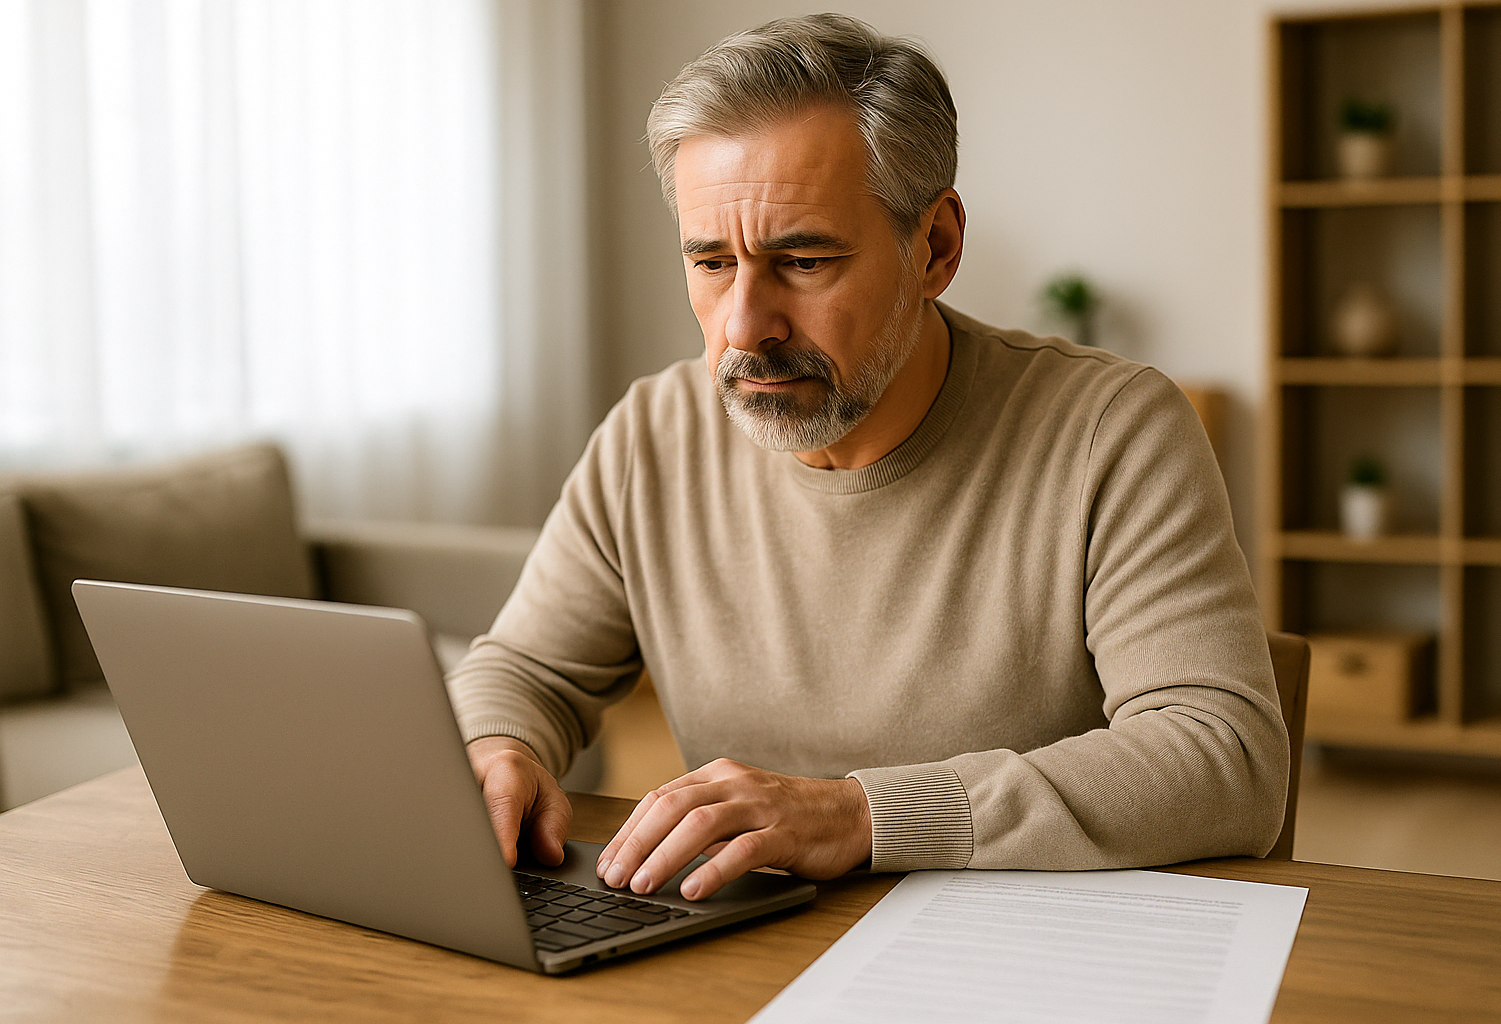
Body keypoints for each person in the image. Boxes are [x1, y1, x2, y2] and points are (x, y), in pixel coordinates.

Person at [446, 13, 1288, 903]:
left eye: (802, 261)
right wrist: (498, 746)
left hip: (1033, 950)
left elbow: (1223, 755)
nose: (744, 327)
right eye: (710, 262)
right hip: (738, 950)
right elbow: (526, 670)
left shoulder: (1110, 432)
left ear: (935, 248)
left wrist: (860, 817)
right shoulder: (653, 436)